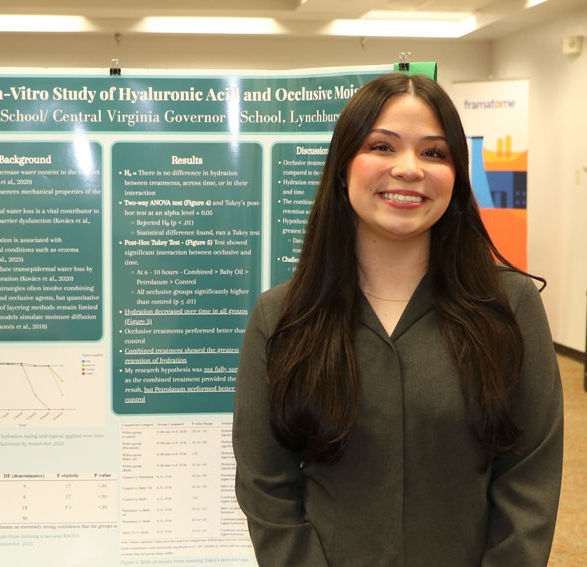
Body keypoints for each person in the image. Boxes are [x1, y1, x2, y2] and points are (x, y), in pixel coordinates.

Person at [232, 73, 563, 567]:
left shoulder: (509, 305)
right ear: (343, 167)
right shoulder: (282, 316)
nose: (409, 169)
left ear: (457, 175)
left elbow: (529, 476)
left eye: (434, 153)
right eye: (382, 146)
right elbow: (267, 487)